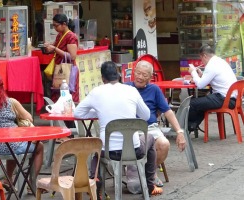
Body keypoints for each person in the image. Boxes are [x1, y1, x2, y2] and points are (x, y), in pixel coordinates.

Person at [74, 61, 163, 196]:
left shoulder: (96, 92)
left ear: (103, 78)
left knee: (98, 151)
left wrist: (98, 112)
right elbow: (145, 116)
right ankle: (150, 184)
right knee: (150, 138)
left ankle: (95, 177)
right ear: (119, 75)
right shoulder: (131, 90)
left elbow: (78, 113)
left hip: (109, 152)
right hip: (134, 150)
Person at [0, 71, 44, 194]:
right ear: (2, 85)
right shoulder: (11, 102)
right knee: (40, 147)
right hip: (11, 145)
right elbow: (29, 118)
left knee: (11, 142)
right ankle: (30, 183)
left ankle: (8, 179)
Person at [126, 60, 186, 187]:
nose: (140, 77)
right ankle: (136, 174)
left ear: (150, 77)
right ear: (133, 73)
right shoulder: (126, 88)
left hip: (150, 127)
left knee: (164, 144)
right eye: (138, 73)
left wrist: (179, 132)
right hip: (130, 128)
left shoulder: (154, 89)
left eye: (145, 75)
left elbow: (168, 112)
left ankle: (151, 173)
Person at [188, 44, 237, 131]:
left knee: (192, 103)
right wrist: (202, 75)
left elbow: (200, 85)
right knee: (202, 103)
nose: (202, 62)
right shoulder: (220, 61)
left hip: (224, 99)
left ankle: (187, 127)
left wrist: (193, 72)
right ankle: (192, 125)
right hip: (231, 98)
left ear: (204, 56)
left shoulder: (211, 65)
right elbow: (214, 79)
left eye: (201, 59)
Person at [44, 13, 78, 102]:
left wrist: (55, 48)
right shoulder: (60, 35)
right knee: (57, 93)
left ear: (64, 24)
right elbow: (55, 48)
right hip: (59, 68)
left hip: (67, 69)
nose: (55, 28)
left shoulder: (71, 36)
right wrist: (48, 47)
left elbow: (72, 56)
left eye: (56, 26)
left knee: (67, 95)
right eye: (53, 26)